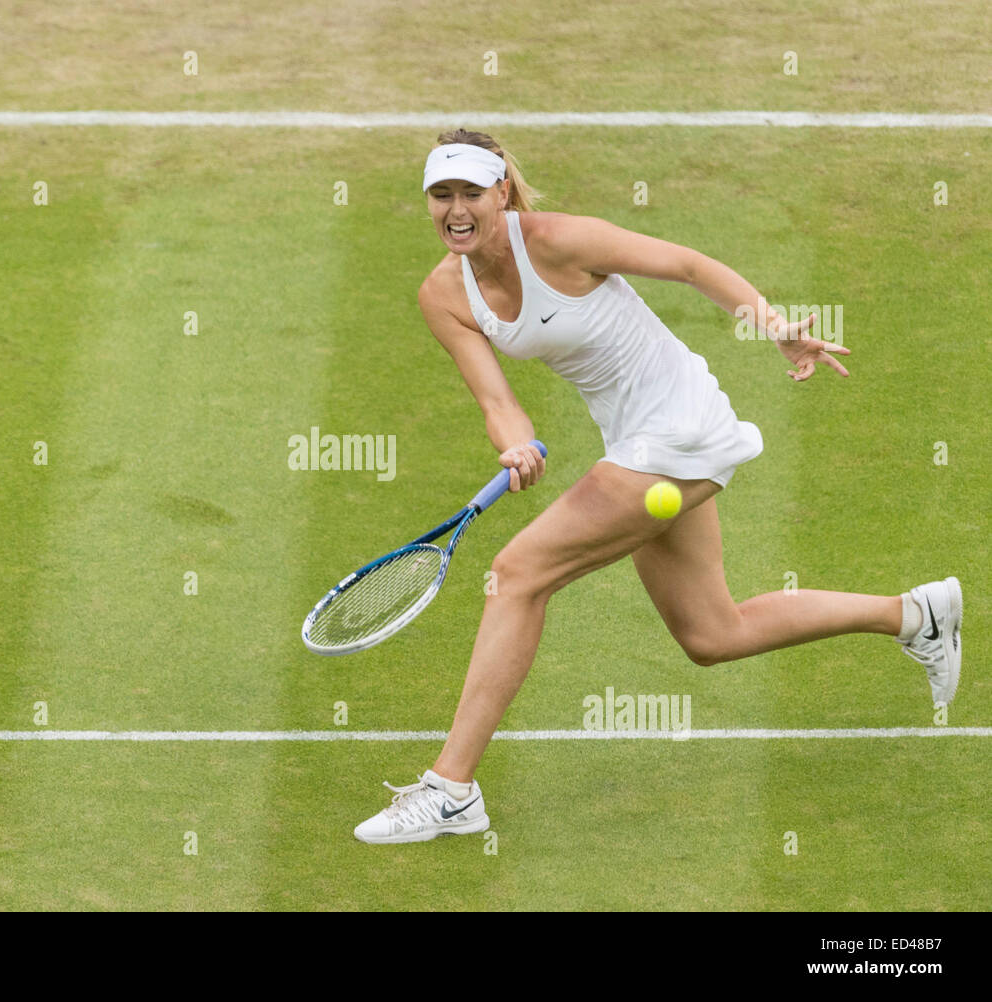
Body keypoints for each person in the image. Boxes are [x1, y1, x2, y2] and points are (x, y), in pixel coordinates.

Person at [353, 130, 962, 845]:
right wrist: (513, 443)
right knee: (712, 633)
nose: (455, 209)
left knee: (516, 574)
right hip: (633, 443)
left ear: (502, 194)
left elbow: (687, 263)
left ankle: (452, 789)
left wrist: (773, 327)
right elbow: (497, 401)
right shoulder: (442, 294)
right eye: (441, 195)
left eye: (470, 193)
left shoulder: (559, 240)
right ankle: (915, 614)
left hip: (680, 427)